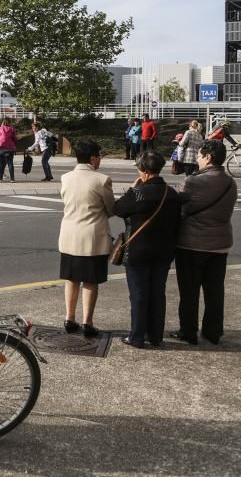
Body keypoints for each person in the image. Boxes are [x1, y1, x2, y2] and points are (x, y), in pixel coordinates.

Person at [112, 150, 182, 348]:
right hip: (164, 251)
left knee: (139, 294)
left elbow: (117, 209)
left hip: (138, 251)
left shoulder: (139, 193)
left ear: (143, 170)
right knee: (158, 293)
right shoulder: (172, 193)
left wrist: (131, 189)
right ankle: (155, 336)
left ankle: (136, 336)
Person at [173, 139, 237, 345]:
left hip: (191, 244)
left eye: (200, 155)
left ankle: (188, 331)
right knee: (215, 291)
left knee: (189, 292)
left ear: (208, 157)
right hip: (220, 244)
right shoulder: (230, 182)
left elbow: (177, 206)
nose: (198, 159)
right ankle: (213, 332)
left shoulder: (193, 181)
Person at [58, 139, 114, 338]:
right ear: (92, 158)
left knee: (71, 279)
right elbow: (111, 209)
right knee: (90, 281)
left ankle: (69, 318)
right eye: (99, 156)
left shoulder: (65, 178)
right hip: (93, 237)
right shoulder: (102, 180)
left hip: (69, 234)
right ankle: (87, 322)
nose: (100, 160)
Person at [0, 117, 17, 182]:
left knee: (1, 164)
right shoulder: (12, 129)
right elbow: (15, 139)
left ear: (3, 122)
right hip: (10, 149)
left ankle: (0, 179)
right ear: (9, 123)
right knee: (10, 163)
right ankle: (12, 179)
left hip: (0, 149)